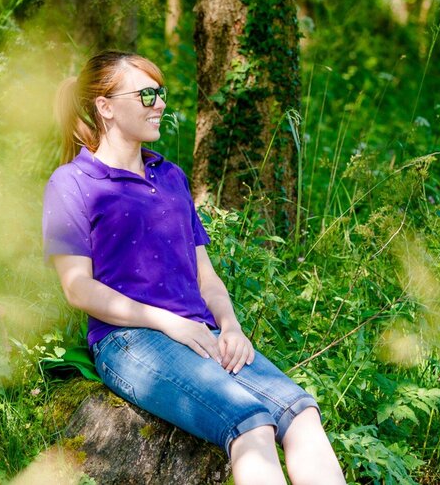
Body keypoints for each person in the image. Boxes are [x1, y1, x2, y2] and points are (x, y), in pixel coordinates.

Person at [43, 51, 346, 485]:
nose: (160, 103)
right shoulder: (72, 182)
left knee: (301, 414)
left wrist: (232, 326)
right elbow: (78, 288)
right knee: (250, 422)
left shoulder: (170, 177)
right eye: (146, 93)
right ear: (105, 107)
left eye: (161, 93)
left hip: (204, 333)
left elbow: (205, 274)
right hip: (130, 340)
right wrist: (168, 323)